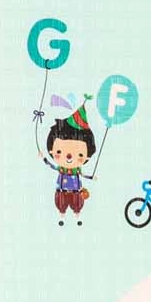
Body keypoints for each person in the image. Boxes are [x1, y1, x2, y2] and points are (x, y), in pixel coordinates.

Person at [38, 95, 97, 226]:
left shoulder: (77, 170)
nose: (69, 156)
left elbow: (82, 175)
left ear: (87, 155)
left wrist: (91, 177)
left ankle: (77, 215)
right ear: (52, 150)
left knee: (77, 204)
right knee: (61, 203)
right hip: (62, 191)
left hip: (76, 191)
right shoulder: (61, 169)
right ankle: (62, 215)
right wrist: (43, 158)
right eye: (59, 152)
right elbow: (52, 166)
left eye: (79, 154)